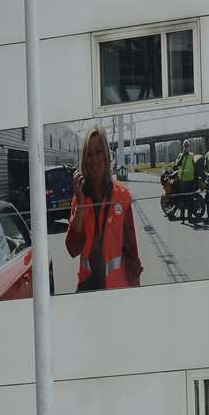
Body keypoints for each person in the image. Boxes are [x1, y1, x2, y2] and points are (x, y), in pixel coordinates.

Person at [64, 123, 143, 291]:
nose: (94, 159)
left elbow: (131, 252)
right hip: (88, 289)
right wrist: (79, 205)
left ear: (106, 155)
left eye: (99, 151)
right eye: (89, 153)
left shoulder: (122, 196)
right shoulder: (79, 198)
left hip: (117, 290)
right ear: (84, 158)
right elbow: (72, 248)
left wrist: (136, 292)